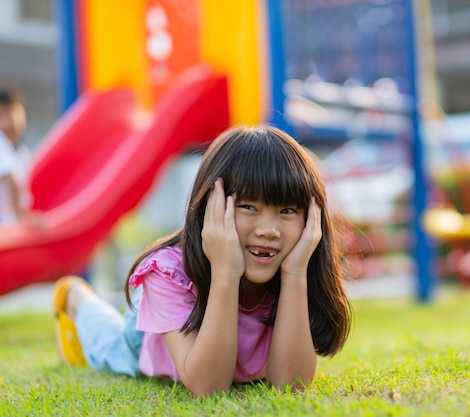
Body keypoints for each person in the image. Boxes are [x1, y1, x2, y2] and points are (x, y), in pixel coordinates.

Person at [53, 124, 353, 398]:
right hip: (152, 334)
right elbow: (208, 388)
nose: (268, 231)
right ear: (211, 206)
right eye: (248, 206)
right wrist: (225, 272)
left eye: (287, 211)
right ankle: (77, 300)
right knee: (114, 348)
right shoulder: (169, 274)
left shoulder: (296, 266)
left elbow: (291, 384)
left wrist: (295, 274)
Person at [0, 84, 32, 224]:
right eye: (2, 115)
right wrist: (20, 216)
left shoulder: (21, 151)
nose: (10, 121)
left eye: (15, 113)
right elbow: (10, 177)